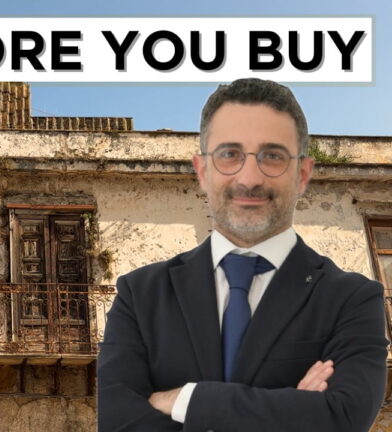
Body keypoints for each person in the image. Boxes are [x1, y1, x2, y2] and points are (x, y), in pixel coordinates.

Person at [97, 78, 388, 432]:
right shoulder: (140, 295)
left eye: (273, 156)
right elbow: (118, 423)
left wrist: (189, 400)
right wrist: (293, 412)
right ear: (202, 171)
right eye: (229, 154)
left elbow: (342, 418)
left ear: (302, 174)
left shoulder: (352, 299)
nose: (250, 178)